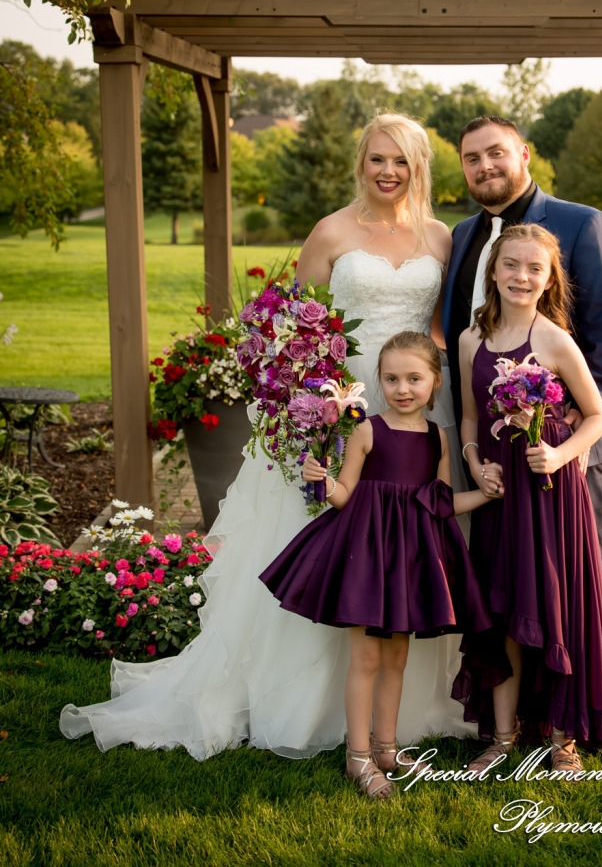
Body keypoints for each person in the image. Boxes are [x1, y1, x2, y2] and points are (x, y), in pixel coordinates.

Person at [60, 113, 477, 760]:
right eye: (377, 160)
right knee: (324, 544)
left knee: (408, 546)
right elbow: (289, 328)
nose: (388, 172)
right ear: (360, 164)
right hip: (336, 411)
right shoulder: (332, 231)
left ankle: (409, 706)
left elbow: (438, 328)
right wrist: (309, 407)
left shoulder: (440, 238)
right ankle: (299, 704)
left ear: (419, 167)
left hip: (413, 407)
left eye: (401, 161)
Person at [441, 115, 602, 707]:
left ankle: (593, 705)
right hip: (493, 451)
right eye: (472, 159)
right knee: (507, 582)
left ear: (525, 153)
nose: (484, 167)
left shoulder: (581, 223)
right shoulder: (463, 235)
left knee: (574, 580)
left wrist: (574, 418)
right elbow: (458, 332)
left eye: (495, 153)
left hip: (564, 444)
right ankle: (514, 714)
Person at [260, 332, 498, 798]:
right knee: (366, 658)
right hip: (368, 556)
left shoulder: (437, 438)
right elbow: (345, 495)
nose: (403, 388)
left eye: (414, 378)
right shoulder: (367, 430)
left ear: (434, 384)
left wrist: (485, 495)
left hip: (410, 560)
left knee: (397, 656)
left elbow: (442, 502)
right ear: (379, 382)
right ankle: (358, 756)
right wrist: (323, 481)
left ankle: (386, 748)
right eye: (392, 379)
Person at [452, 224, 602, 774]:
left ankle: (561, 740)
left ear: (549, 278)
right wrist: (476, 463)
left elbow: (598, 415)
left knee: (553, 607)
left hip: (550, 492)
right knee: (500, 613)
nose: (521, 276)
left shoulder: (553, 339)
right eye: (511, 265)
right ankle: (503, 739)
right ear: (493, 272)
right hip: (501, 493)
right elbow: (469, 417)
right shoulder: (469, 341)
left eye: (534, 268)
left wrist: (559, 456)